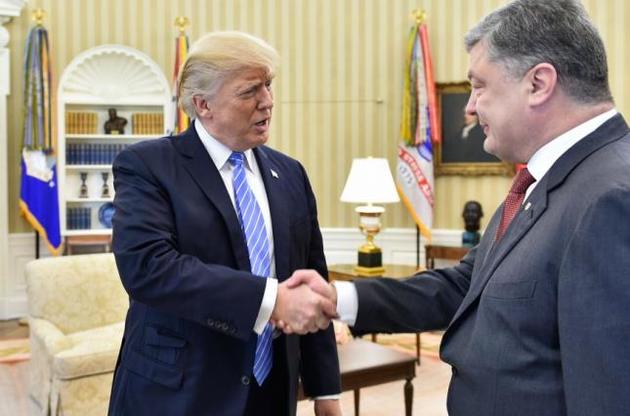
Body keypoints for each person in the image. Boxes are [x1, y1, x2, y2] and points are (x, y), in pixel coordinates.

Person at [283, 1, 630, 415]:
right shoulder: (548, 180)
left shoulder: (611, 198)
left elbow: (609, 393)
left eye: (480, 86)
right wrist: (339, 298)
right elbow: (466, 286)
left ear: (539, 84)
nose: (469, 107)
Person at [108, 31, 341, 416]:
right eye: (250, 91)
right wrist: (271, 301)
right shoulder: (147, 166)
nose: (268, 101)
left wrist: (325, 390)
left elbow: (311, 277)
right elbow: (147, 268)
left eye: (268, 85)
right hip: (179, 395)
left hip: (271, 393)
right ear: (204, 105)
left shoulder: (291, 173)